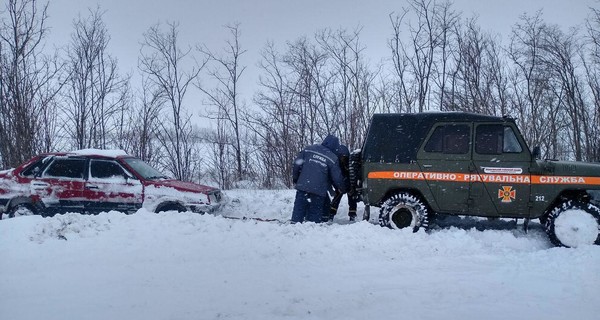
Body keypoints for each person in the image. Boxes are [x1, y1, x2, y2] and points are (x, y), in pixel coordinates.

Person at [291, 135, 348, 223]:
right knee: (314, 216)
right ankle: (312, 231)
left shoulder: (308, 149)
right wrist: (343, 188)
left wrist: (296, 179)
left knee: (298, 210)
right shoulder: (332, 158)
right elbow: (337, 178)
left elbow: (297, 165)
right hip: (318, 191)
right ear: (335, 147)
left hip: (302, 187)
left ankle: (293, 228)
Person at [324, 144, 358, 222]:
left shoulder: (350, 163)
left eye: (345, 157)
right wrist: (339, 186)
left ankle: (352, 215)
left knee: (351, 199)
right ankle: (331, 214)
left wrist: (351, 187)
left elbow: (352, 175)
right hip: (340, 184)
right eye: (342, 157)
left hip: (349, 184)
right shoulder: (337, 164)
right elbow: (336, 176)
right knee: (337, 199)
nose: (344, 158)